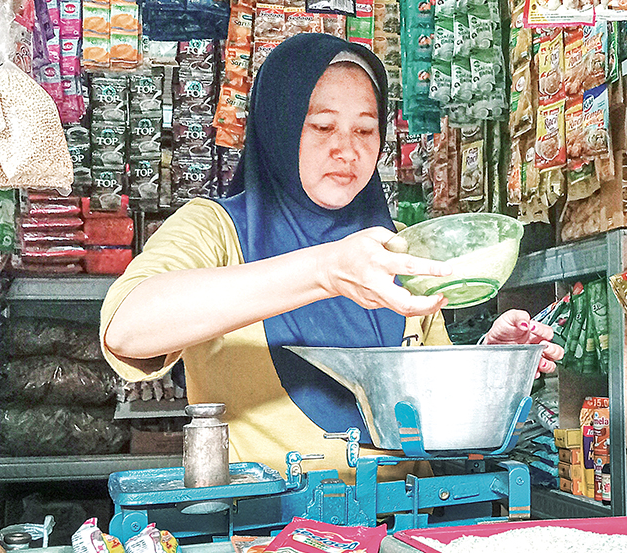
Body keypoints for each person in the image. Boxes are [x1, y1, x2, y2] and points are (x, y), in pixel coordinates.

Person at [100, 33, 562, 481]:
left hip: (406, 522)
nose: (348, 149)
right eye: (322, 126)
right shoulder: (217, 230)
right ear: (280, 126)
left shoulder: (396, 246)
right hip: (268, 542)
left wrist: (492, 363)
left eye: (365, 129)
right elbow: (126, 328)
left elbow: (430, 406)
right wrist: (324, 271)